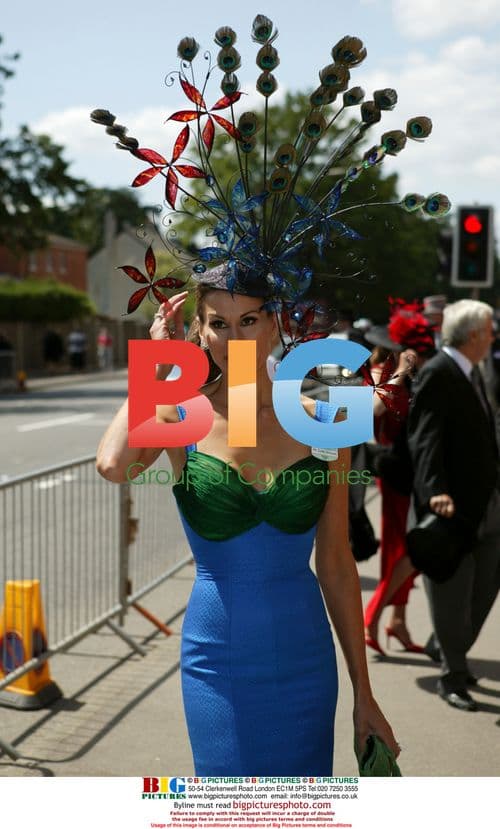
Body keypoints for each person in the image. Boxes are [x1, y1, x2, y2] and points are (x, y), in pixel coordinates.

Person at [96, 271, 399, 774]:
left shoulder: (324, 415)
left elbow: (337, 563)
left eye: (249, 320)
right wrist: (159, 364)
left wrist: (363, 693)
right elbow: (112, 465)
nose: (234, 337)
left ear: (274, 324)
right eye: (219, 323)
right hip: (218, 661)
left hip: (306, 660)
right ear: (199, 332)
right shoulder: (179, 413)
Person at [407, 299, 500, 711]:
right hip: (450, 510)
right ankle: (452, 676)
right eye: (490, 329)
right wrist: (434, 492)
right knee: (452, 594)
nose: (494, 336)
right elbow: (425, 436)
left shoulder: (474, 371)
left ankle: (445, 645)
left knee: (485, 587)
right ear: (474, 335)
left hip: (485, 505)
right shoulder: (439, 372)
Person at [362, 303, 436, 656]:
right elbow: (375, 409)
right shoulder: (381, 368)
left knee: (408, 546)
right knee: (402, 548)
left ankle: (398, 621)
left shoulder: (413, 372)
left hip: (412, 470)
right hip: (392, 471)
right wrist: (400, 372)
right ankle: (376, 616)